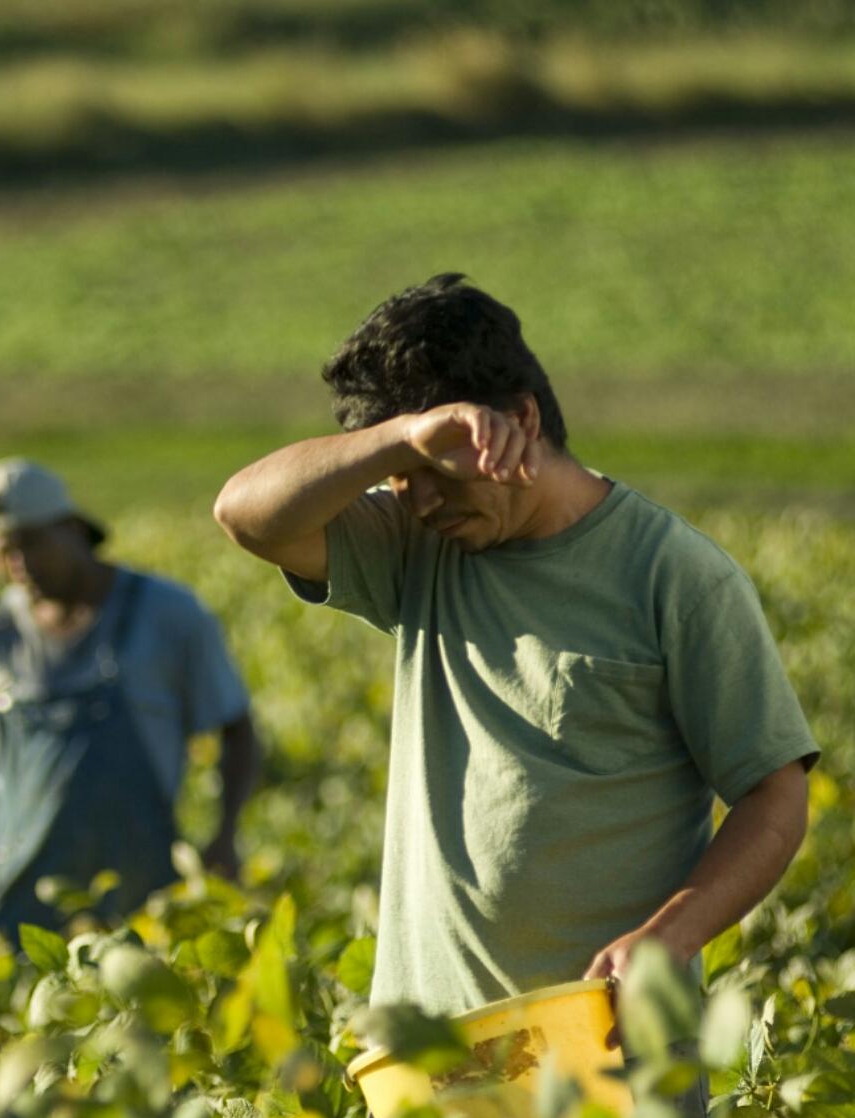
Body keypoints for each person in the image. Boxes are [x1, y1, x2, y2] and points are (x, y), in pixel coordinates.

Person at [213, 273, 818, 1021]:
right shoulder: (415, 547)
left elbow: (776, 794)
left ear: (522, 420)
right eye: (402, 478)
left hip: (606, 1041)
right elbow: (245, 514)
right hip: (430, 1051)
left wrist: (670, 936)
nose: (421, 499)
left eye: (438, 472)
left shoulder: (674, 575)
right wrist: (401, 441)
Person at [0, 459, 259, 979]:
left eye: (31, 544)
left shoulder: (167, 614)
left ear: (72, 528)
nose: (19, 564)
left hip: (142, 903)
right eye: (2, 553)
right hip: (24, 911)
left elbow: (236, 729)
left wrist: (225, 834)